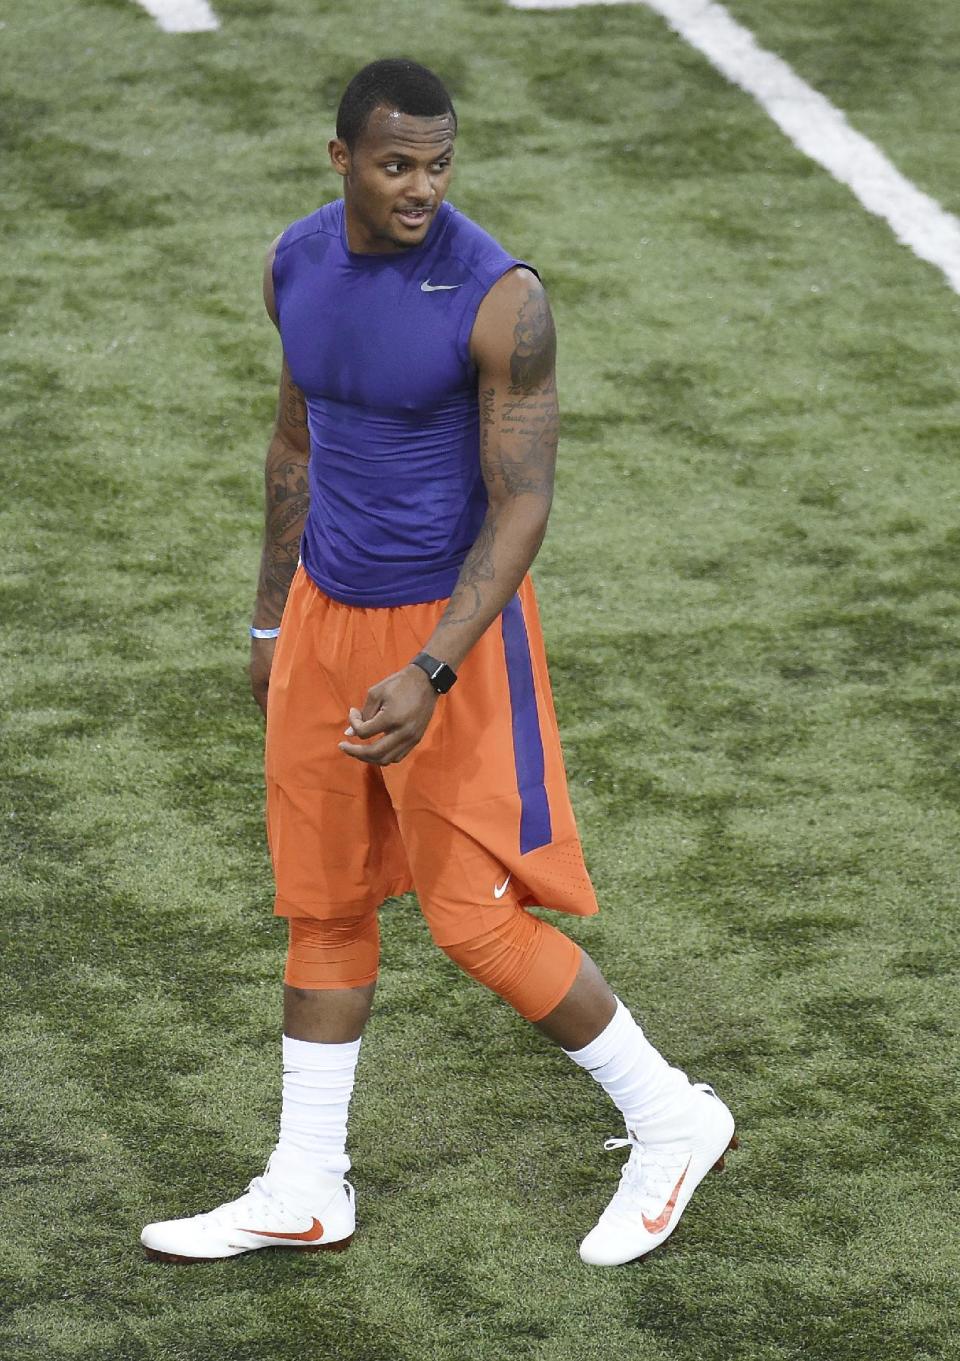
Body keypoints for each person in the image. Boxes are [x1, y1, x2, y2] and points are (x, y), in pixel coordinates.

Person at [140, 58, 735, 1269]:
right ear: (343, 160)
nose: (420, 186)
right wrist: (269, 623)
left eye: (439, 162)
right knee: (322, 898)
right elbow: (295, 438)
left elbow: (523, 509)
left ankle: (674, 1116)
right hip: (322, 619)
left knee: (474, 919)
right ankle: (308, 1182)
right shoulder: (292, 264)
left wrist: (436, 671)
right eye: (396, 162)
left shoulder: (501, 295)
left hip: (450, 631)